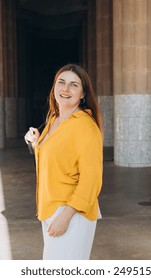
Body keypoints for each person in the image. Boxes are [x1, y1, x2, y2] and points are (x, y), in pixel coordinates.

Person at [24, 64, 103, 260]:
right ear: (54, 88)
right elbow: (59, 158)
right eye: (61, 82)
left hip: (72, 212)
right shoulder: (55, 119)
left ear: (83, 94)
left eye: (73, 85)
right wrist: (37, 143)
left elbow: (91, 179)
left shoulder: (86, 126)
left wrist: (65, 217)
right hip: (50, 207)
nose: (65, 89)